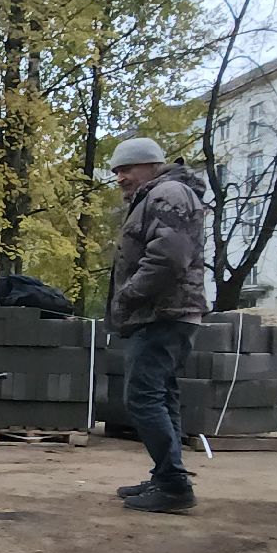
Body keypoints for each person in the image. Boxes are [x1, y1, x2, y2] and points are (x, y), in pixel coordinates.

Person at [105, 136, 209, 514]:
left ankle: (173, 485)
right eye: (116, 171)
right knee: (162, 396)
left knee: (143, 397)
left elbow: (168, 258)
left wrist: (127, 296)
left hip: (162, 313)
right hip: (164, 313)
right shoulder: (158, 195)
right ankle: (167, 476)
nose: (120, 177)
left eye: (126, 169)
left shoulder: (168, 194)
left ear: (151, 165)